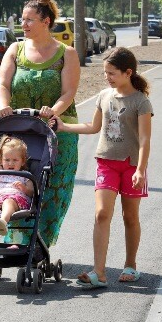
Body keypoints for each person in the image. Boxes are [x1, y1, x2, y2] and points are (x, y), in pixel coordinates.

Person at [50, 47, 153, 288]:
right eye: (105, 73)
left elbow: (146, 140)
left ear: (128, 73)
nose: (107, 77)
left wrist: (140, 169)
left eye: (112, 73)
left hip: (131, 166)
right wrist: (63, 127)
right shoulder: (104, 96)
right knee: (101, 213)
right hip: (106, 163)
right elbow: (93, 127)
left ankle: (130, 265)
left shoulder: (141, 101)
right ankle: (99, 272)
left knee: (130, 217)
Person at [0, 0, 80, 247]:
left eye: (29, 19)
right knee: (15, 184)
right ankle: (17, 241)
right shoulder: (15, 50)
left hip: (57, 131)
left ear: (46, 22)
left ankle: (40, 243)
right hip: (20, 130)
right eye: (22, 19)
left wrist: (53, 111)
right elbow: (3, 84)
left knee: (51, 188)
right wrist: (3, 106)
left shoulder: (66, 53)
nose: (24, 24)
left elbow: (69, 92)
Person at [0, 136, 34, 236]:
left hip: (16, 200)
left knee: (8, 202)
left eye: (15, 160)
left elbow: (32, 192)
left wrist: (24, 188)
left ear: (22, 162)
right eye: (7, 160)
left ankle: (2, 221)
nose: (10, 163)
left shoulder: (25, 175)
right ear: (1, 160)